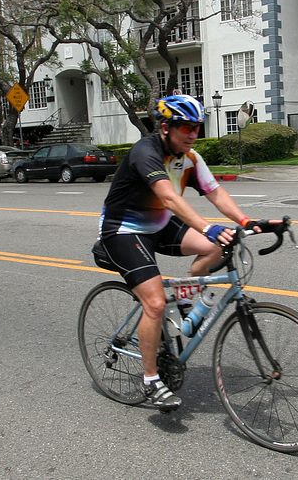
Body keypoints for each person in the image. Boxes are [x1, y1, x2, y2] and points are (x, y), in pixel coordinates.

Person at [98, 94, 276, 412]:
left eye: (196, 127)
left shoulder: (190, 157)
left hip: (159, 226)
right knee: (153, 302)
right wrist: (207, 226)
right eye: (185, 127)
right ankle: (151, 380)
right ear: (166, 128)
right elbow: (168, 197)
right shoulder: (146, 152)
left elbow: (215, 192)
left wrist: (246, 221)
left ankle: (185, 299)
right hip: (124, 230)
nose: (192, 133)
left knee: (217, 245)